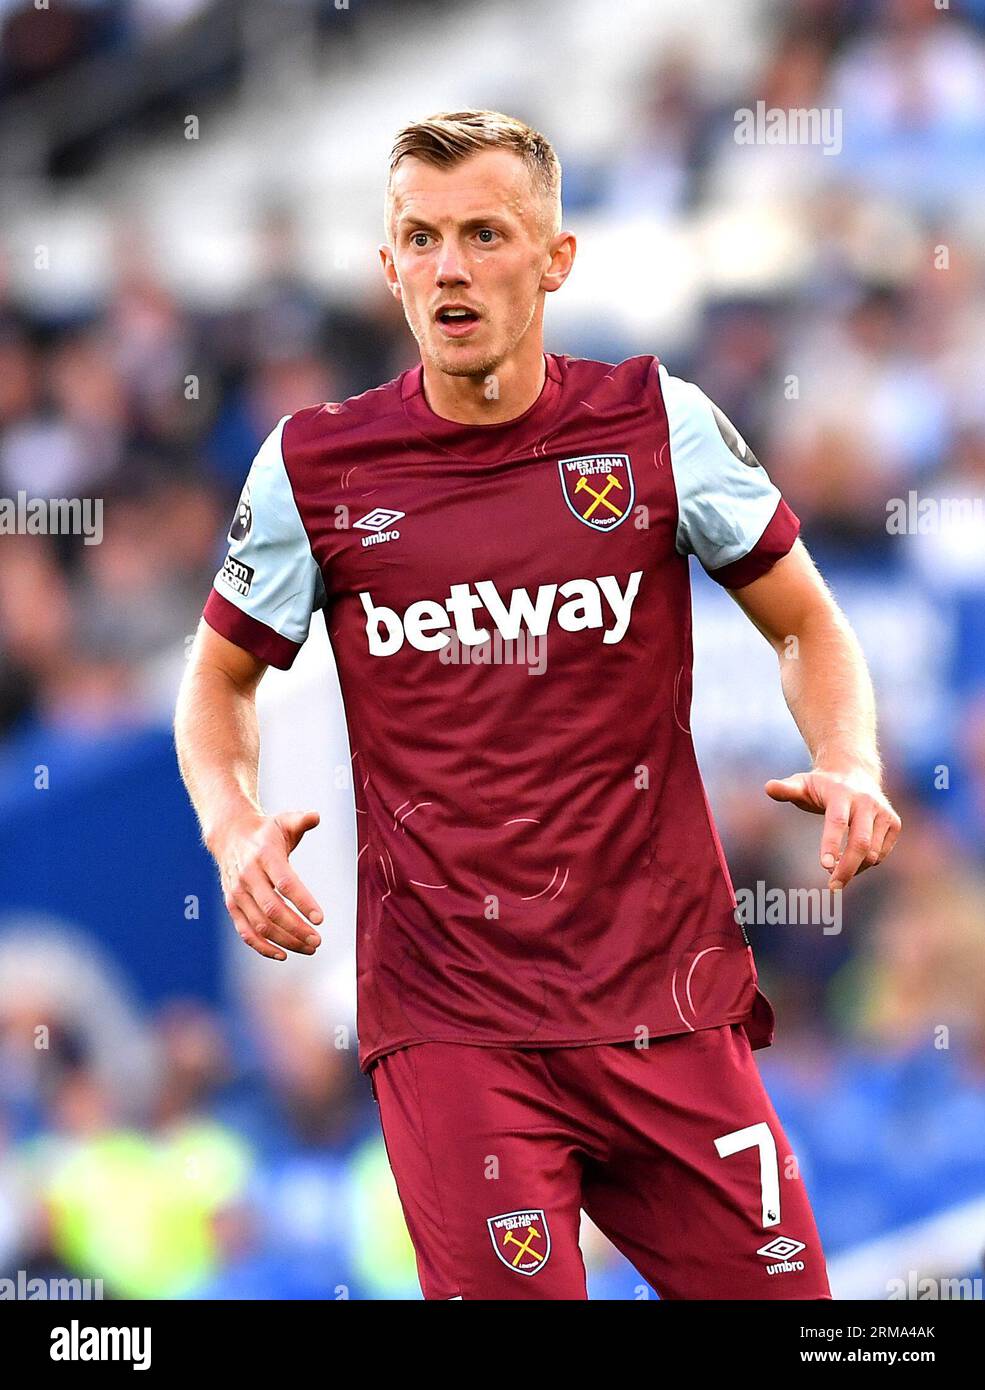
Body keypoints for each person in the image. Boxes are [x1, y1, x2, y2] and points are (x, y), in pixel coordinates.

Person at [174, 109, 901, 1300]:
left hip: (664, 1000)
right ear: (387, 265)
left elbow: (806, 620)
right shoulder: (317, 466)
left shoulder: (652, 423)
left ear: (554, 259)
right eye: (419, 238)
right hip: (454, 1020)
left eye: (482, 233)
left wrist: (852, 757)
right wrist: (231, 819)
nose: (448, 267)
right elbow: (217, 677)